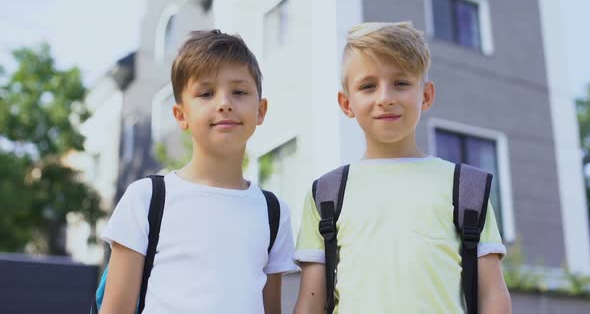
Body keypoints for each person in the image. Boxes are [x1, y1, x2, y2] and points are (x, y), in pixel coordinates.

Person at [293, 22, 511, 313]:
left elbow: (493, 296)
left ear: (426, 95)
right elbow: (309, 305)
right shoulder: (327, 194)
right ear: (346, 103)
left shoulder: (466, 189)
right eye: (368, 86)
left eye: (401, 83)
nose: (385, 98)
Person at [99, 30, 297, 314]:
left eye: (239, 92)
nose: (224, 103)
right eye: (206, 93)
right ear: (181, 115)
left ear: (261, 110)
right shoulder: (147, 199)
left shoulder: (274, 212)